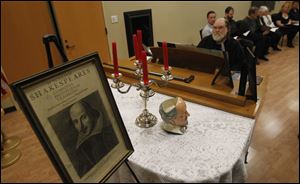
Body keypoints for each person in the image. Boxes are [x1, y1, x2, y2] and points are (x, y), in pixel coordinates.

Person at [69, 100, 118, 177]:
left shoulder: (110, 132)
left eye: (84, 117)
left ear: (91, 114)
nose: (81, 126)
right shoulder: (80, 149)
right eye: (76, 122)